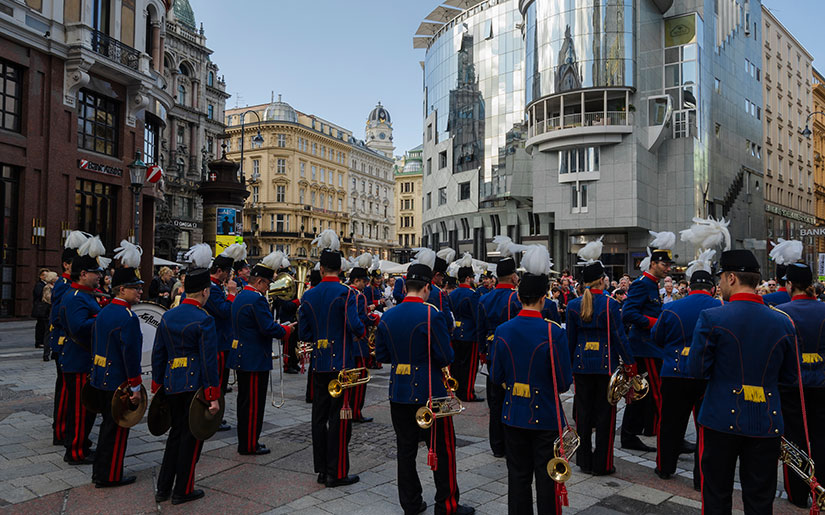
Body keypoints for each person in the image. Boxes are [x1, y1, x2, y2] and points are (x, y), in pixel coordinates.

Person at [688, 249, 798, 514]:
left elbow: (697, 369)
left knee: (716, 494)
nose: (721, 285)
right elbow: (790, 377)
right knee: (760, 499)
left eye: (722, 279)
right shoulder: (783, 322)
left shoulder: (713, 317)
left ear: (731, 278)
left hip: (719, 416)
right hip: (765, 418)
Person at [374, 250, 474, 515]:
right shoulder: (432, 314)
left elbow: (382, 356)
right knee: (443, 449)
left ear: (406, 286)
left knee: (405, 451)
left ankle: (410, 502)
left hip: (399, 392)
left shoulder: (389, 316)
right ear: (428, 287)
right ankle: (447, 504)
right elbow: (445, 356)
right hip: (432, 392)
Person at [491, 244, 572, 515]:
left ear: (518, 296)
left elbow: (496, 376)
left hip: (513, 413)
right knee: (547, 479)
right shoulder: (554, 332)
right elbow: (563, 383)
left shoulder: (502, 330)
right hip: (546, 415)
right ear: (543, 298)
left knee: (518, 477)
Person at [151, 245, 221, 505]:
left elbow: (159, 354)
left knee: (175, 435)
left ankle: (163, 487)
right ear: (204, 291)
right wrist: (213, 395)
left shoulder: (169, 316)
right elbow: (209, 360)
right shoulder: (204, 319)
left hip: (171, 383)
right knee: (191, 440)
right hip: (195, 385)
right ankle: (183, 489)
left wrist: (158, 384)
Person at [298, 230, 365, 487]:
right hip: (343, 364)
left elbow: (304, 333)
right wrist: (361, 332)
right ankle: (336, 471)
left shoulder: (309, 295)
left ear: (322, 267)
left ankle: (321, 468)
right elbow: (355, 325)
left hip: (319, 362)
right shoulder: (347, 294)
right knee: (341, 418)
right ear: (341, 268)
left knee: (319, 417)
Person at [651, 263, 720, 488]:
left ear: (689, 287)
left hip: (674, 370)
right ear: (711, 288)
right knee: (705, 428)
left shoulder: (672, 308)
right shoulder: (719, 307)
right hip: (706, 374)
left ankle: (664, 467)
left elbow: (657, 337)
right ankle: (701, 477)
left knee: (669, 423)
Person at [566, 259, 635, 476]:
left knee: (583, 415)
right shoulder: (611, 304)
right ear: (602, 281)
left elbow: (569, 340)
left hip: (581, 365)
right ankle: (603, 463)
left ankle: (584, 461)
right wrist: (630, 363)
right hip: (606, 366)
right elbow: (619, 337)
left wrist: (567, 367)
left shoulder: (573, 305)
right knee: (606, 416)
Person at [89, 240, 144, 488]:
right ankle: (110, 475)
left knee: (106, 429)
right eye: (135, 288)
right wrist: (134, 387)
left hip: (100, 378)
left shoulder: (104, 311)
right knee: (117, 431)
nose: (140, 292)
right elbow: (130, 355)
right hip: (118, 382)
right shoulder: (128, 317)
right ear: (121, 289)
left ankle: (100, 471)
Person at [229, 251, 293, 455]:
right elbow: (267, 328)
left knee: (244, 402)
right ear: (259, 282)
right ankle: (249, 444)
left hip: (242, 355)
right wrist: (286, 330)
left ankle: (246, 441)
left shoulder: (241, 295)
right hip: (255, 358)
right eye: (267, 284)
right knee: (254, 404)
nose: (268, 289)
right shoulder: (257, 299)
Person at [775, 262, 825, 509]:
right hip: (822, 383)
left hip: (790, 385)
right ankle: (822, 491)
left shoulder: (780, 312)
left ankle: (797, 494)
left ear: (790, 285)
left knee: (793, 441)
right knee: (822, 437)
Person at [621, 249, 672, 452]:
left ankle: (630, 434)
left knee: (642, 394)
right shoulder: (643, 284)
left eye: (668, 265)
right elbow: (628, 313)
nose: (667, 268)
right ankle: (667, 439)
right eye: (664, 265)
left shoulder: (651, 285)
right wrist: (654, 323)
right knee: (657, 394)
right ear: (653, 264)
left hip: (650, 346)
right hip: (645, 346)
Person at [60, 236, 106, 465]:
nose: (99, 275)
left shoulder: (85, 295)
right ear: (83, 274)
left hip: (83, 360)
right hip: (79, 360)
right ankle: (75, 451)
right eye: (94, 272)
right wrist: (102, 318)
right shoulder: (77, 297)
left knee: (87, 409)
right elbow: (79, 328)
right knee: (79, 410)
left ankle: (82, 444)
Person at [477, 236, 523, 458]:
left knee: (494, 401)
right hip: (512, 353)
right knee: (511, 399)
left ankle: (496, 445)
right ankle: (510, 442)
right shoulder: (516, 300)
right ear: (513, 277)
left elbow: (479, 329)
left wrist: (482, 353)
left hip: (491, 352)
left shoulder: (484, 299)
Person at [49, 234, 85, 445]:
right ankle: (61, 431)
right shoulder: (63, 284)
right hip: (64, 342)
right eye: (75, 263)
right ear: (66, 264)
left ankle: (66, 429)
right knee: (64, 390)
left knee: (69, 390)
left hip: (70, 342)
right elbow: (59, 316)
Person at [204, 244, 240, 432]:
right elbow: (224, 312)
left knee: (222, 381)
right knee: (218, 382)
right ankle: (214, 416)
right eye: (227, 272)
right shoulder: (213, 288)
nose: (229, 276)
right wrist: (232, 295)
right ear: (219, 271)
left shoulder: (216, 287)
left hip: (222, 341)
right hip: (218, 342)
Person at [344, 253, 378, 424]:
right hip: (359, 342)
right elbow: (361, 318)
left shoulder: (346, 292)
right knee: (359, 381)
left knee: (350, 381)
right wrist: (375, 319)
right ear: (356, 280)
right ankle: (356, 411)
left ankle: (348, 409)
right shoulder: (358, 295)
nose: (365, 284)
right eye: (363, 281)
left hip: (347, 344)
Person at [448, 253, 483, 403]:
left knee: (456, 365)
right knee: (470, 367)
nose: (474, 280)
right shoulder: (472, 294)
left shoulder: (452, 293)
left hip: (456, 333)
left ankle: (455, 389)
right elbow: (477, 317)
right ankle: (468, 393)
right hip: (470, 334)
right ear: (468, 278)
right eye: (473, 277)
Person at [33, 268, 50, 349]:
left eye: (47, 275)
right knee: (40, 325)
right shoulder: (39, 285)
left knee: (44, 325)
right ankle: (39, 342)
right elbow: (38, 295)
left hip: (45, 308)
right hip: (41, 308)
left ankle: (43, 341)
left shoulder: (47, 284)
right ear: (40, 276)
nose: (45, 277)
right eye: (43, 275)